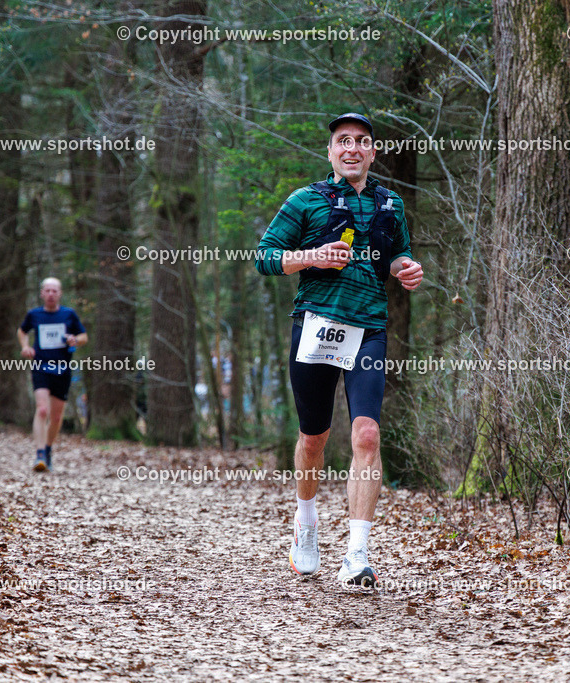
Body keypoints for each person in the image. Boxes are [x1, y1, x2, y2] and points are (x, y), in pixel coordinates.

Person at [255, 112, 423, 587]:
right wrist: (312, 256)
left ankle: (357, 554)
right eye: (343, 141)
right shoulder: (305, 200)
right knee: (314, 438)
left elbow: (397, 254)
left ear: (372, 152)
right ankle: (306, 524)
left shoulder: (390, 202)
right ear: (330, 152)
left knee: (366, 435)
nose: (352, 148)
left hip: (368, 328)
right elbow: (264, 256)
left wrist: (406, 268)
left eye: (362, 141)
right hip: (317, 325)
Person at [17, 277, 88, 472]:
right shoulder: (34, 314)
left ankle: (47, 449)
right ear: (42, 293)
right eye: (47, 290)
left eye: (54, 291)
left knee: (56, 417)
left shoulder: (68, 314)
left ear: (60, 293)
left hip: (62, 369)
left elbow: (84, 336)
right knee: (42, 409)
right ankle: (39, 454)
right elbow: (22, 331)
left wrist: (75, 340)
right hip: (40, 366)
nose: (50, 294)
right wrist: (25, 347)